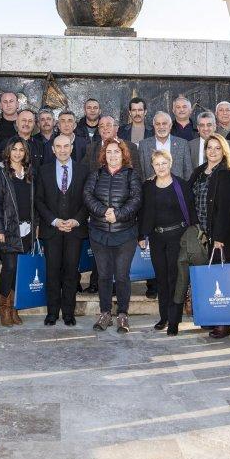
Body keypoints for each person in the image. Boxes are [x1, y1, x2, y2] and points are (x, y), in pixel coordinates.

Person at [83, 136, 142, 333]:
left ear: (123, 154)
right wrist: (103, 212)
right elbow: (87, 196)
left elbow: (136, 200)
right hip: (99, 234)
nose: (112, 155)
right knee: (104, 275)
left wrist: (117, 214)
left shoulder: (131, 174)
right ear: (104, 155)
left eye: (116, 151)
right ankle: (105, 313)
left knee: (122, 276)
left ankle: (123, 314)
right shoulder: (96, 174)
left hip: (125, 234)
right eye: (109, 152)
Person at [188, 133, 230, 339]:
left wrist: (218, 237)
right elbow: (187, 194)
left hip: (221, 236)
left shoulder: (226, 173)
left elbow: (226, 209)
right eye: (209, 147)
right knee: (208, 277)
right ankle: (211, 316)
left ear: (224, 151)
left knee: (222, 278)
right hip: (201, 232)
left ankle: (223, 322)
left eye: (217, 148)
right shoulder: (200, 171)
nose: (213, 151)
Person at [35, 134, 89, 326]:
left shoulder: (84, 171)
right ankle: (51, 313)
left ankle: (68, 313)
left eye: (66, 146)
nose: (63, 150)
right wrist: (54, 220)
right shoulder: (43, 171)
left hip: (74, 231)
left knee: (70, 273)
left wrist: (76, 220)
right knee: (52, 272)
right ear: (53, 149)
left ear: (72, 147)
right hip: (52, 231)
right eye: (58, 146)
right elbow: (39, 201)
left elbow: (87, 200)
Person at [139, 149, 193, 335]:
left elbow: (191, 212)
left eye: (164, 163)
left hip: (177, 237)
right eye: (157, 164)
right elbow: (144, 212)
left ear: (170, 164)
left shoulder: (182, 185)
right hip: (156, 238)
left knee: (174, 279)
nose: (161, 167)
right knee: (161, 278)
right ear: (152, 166)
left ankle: (174, 320)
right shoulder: (148, 186)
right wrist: (142, 235)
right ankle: (164, 317)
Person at [0, 137, 36, 327]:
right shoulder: (0, 172)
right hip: (8, 229)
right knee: (9, 268)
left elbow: (33, 202)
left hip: (26, 229)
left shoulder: (29, 172)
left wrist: (35, 226)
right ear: (8, 151)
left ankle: (14, 308)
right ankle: (4, 309)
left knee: (18, 270)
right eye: (14, 149)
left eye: (21, 150)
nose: (18, 153)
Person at [140, 111, 193, 180]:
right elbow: (142, 173)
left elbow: (188, 172)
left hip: (177, 189)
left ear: (170, 126)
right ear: (154, 126)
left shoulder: (183, 144)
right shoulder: (144, 145)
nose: (161, 127)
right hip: (152, 189)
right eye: (157, 124)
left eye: (164, 123)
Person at [0, 91, 21, 156]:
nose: (8, 105)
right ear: (1, 105)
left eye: (11, 101)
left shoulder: (26, 123)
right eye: (5, 102)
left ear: (17, 104)